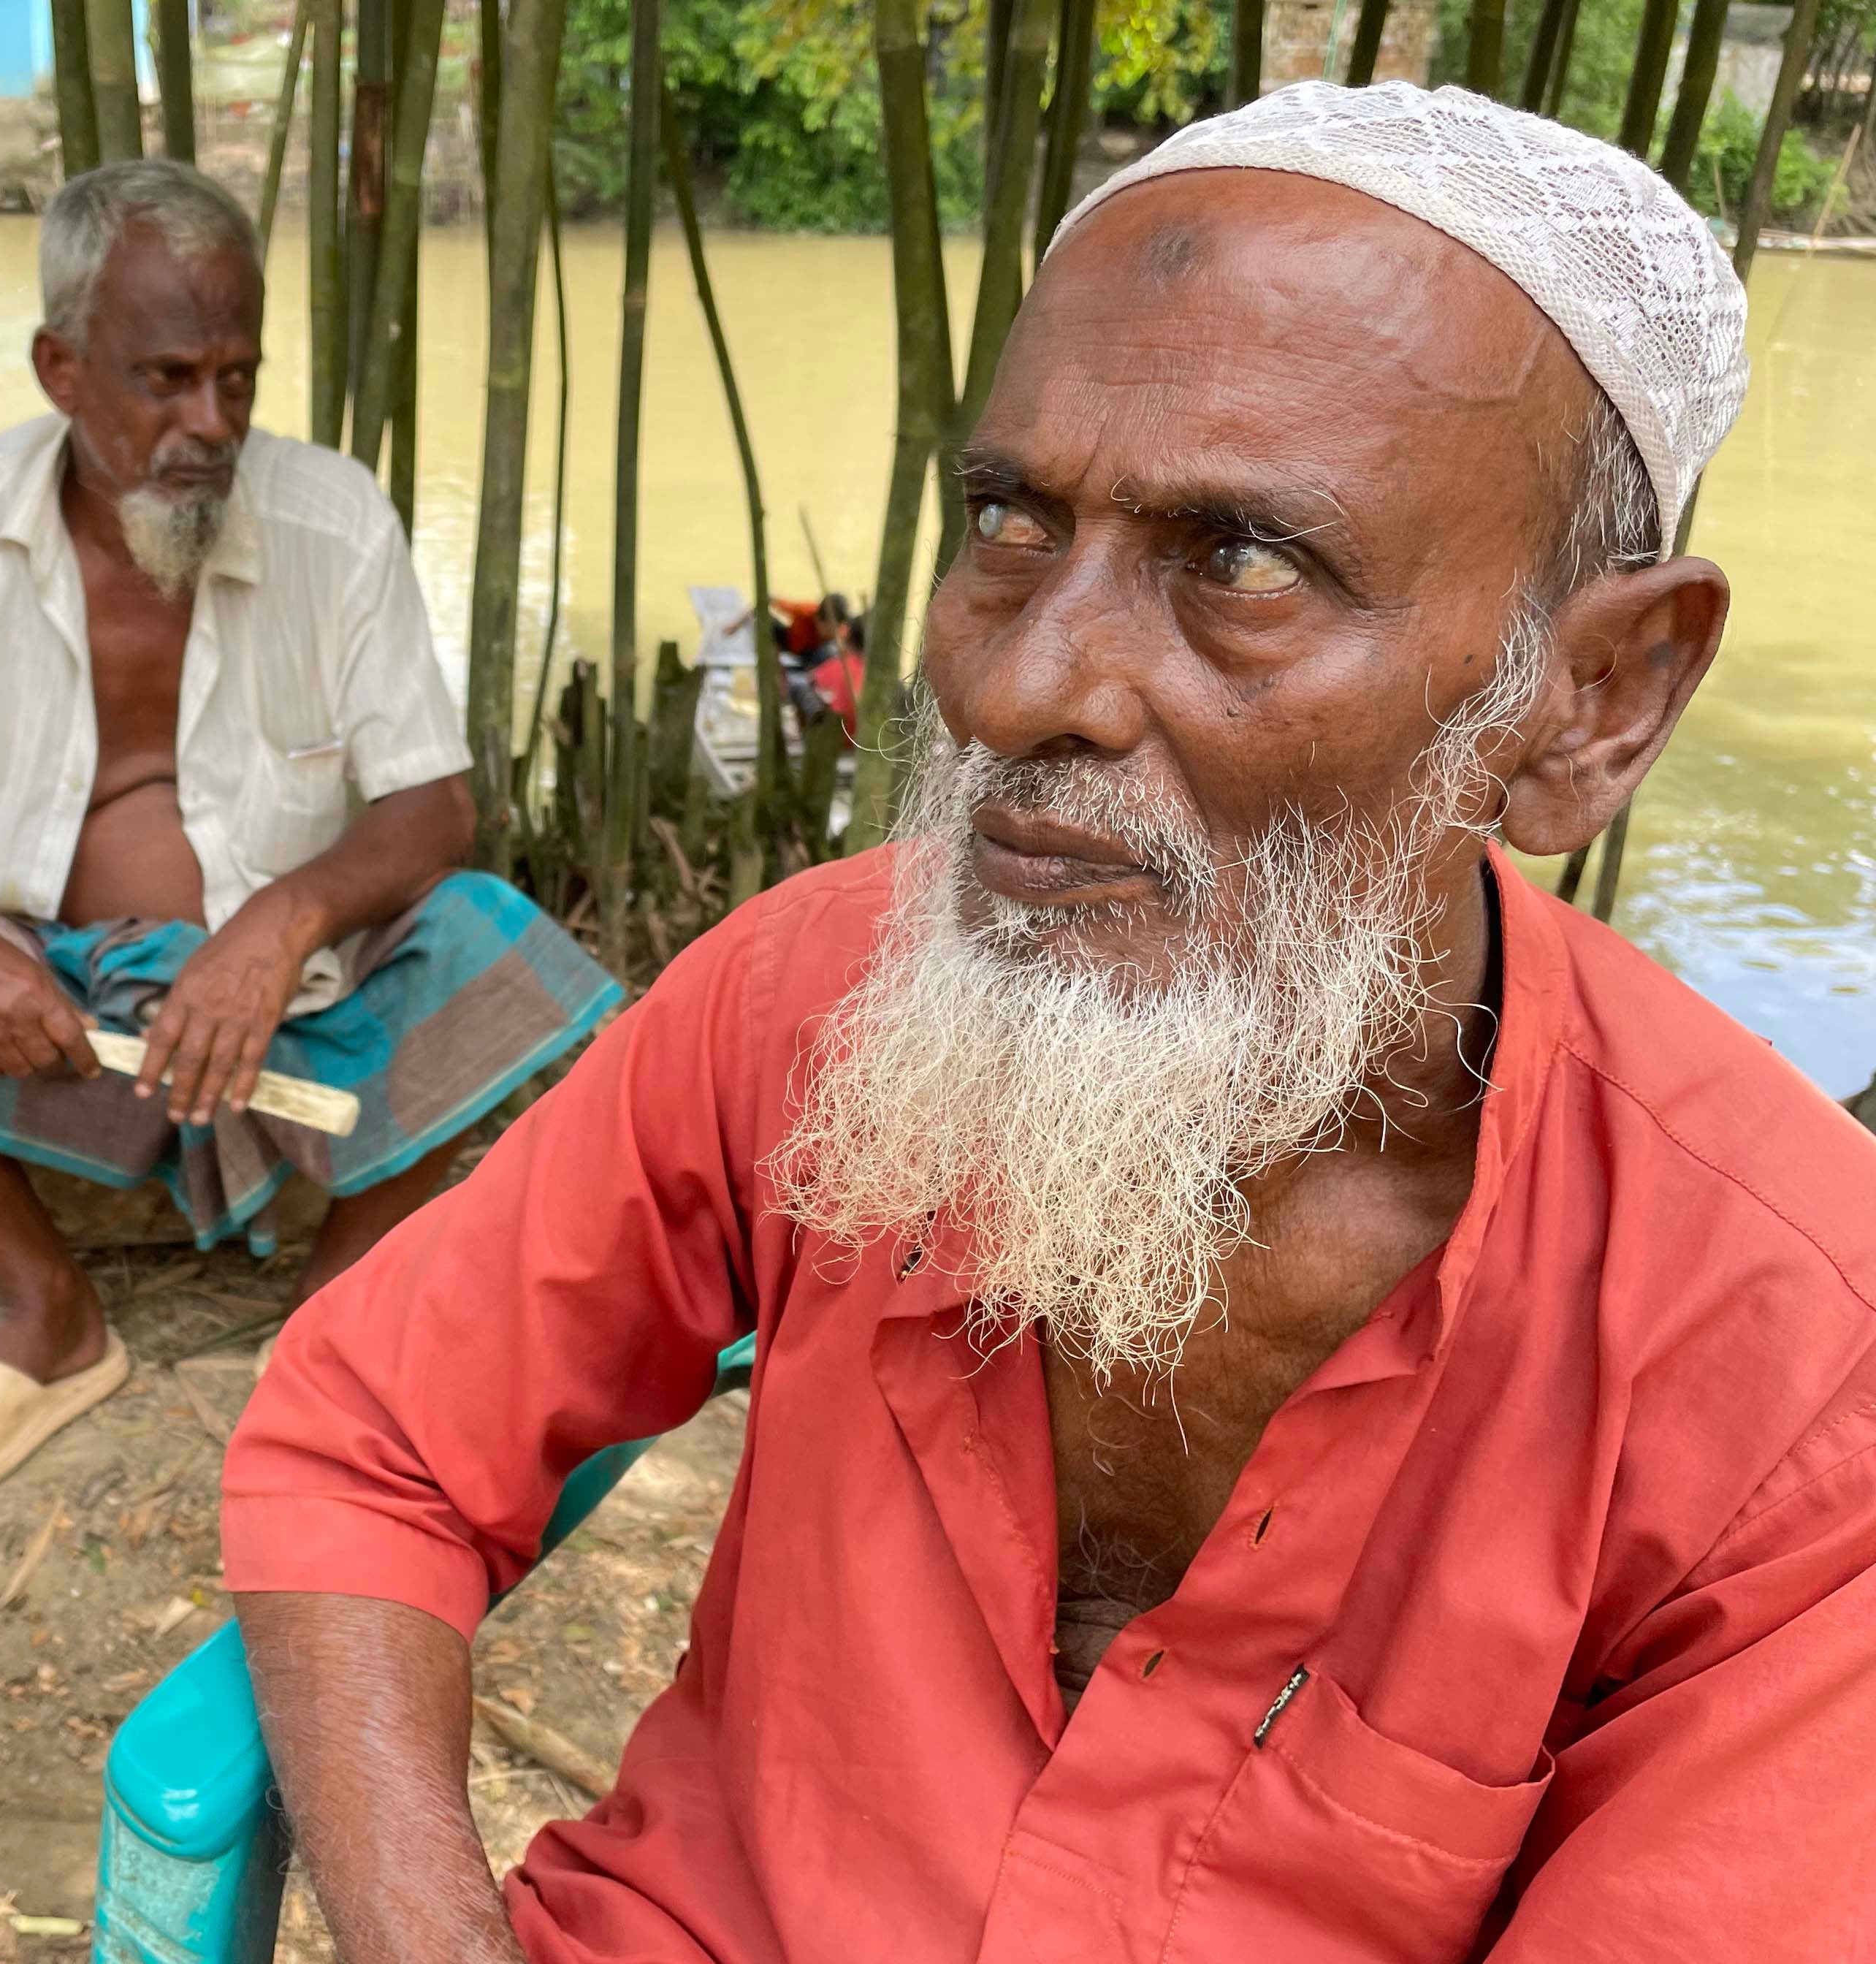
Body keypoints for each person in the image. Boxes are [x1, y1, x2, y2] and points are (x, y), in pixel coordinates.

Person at [223, 84, 1876, 1963]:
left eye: (1243, 562)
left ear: (1593, 697)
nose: (1018, 681)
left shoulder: (1806, 1374)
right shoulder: (810, 996)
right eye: (1010, 521)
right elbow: (371, 1444)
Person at [0, 159, 617, 1509]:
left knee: (494, 937)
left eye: (238, 378)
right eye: (167, 379)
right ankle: (49, 1311)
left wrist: (281, 921)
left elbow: (433, 804)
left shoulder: (332, 521)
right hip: (60, 1020)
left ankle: (329, 1315)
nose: (212, 422)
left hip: (287, 1015)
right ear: (62, 368)